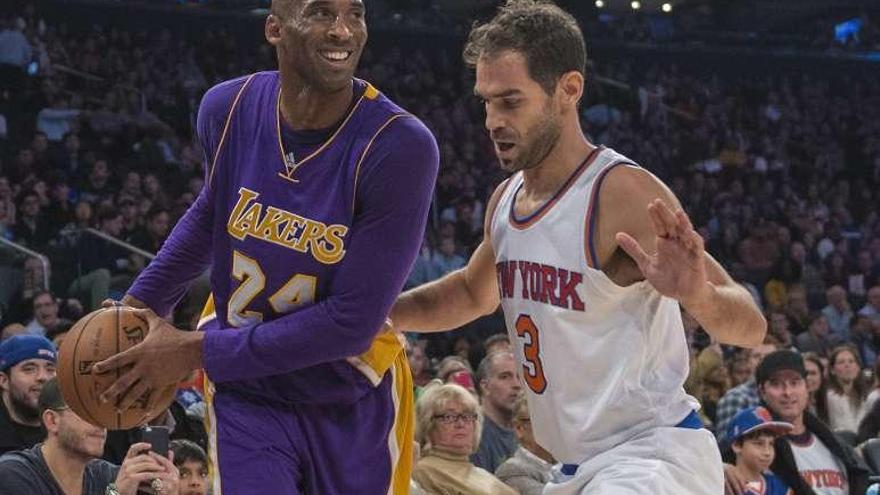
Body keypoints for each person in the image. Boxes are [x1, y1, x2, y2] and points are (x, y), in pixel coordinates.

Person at [390, 1, 766, 493]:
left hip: (649, 456)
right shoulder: (507, 200)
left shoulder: (621, 193)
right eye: (486, 102)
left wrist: (700, 296)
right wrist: (382, 312)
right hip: (574, 469)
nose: (491, 121)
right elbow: (467, 292)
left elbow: (752, 324)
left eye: (510, 101)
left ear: (568, 90)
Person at [92, 0, 440, 493]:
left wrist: (192, 350)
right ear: (275, 29)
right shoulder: (226, 108)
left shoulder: (399, 146)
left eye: (355, 14)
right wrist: (138, 305)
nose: (343, 30)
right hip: (246, 390)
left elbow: (350, 325)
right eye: (320, 12)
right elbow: (214, 211)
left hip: (346, 389)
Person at [724, 350, 871, 495]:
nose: (787, 392)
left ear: (807, 387)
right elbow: (710, 459)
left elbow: (861, 476)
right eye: (776, 384)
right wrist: (721, 467)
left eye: (795, 383)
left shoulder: (832, 442)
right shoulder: (750, 442)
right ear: (762, 391)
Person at [0, 378, 180, 495]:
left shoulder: (108, 475)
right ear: (52, 420)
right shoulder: (13, 474)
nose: (100, 423)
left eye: (104, 414)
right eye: (86, 413)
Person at [412, 382, 516, 495]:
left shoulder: (482, 474)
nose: (461, 423)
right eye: (449, 417)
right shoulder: (423, 472)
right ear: (428, 424)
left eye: (467, 416)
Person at [0, 335, 56, 455]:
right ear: (4, 381)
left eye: (50, 369)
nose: (43, 377)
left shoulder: (69, 432)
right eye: (29, 369)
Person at [495, 395, 555, 495]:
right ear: (519, 428)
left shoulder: (569, 463)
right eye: (543, 420)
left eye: (556, 421)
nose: (554, 427)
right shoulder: (512, 470)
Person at [726, 406, 793, 495]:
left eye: (771, 444)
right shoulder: (725, 486)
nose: (767, 452)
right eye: (759, 444)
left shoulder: (779, 486)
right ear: (736, 445)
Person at [472, 351, 521, 472]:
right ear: (485, 387)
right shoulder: (472, 432)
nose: (517, 385)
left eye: (520, 377)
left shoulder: (528, 428)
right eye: (505, 377)